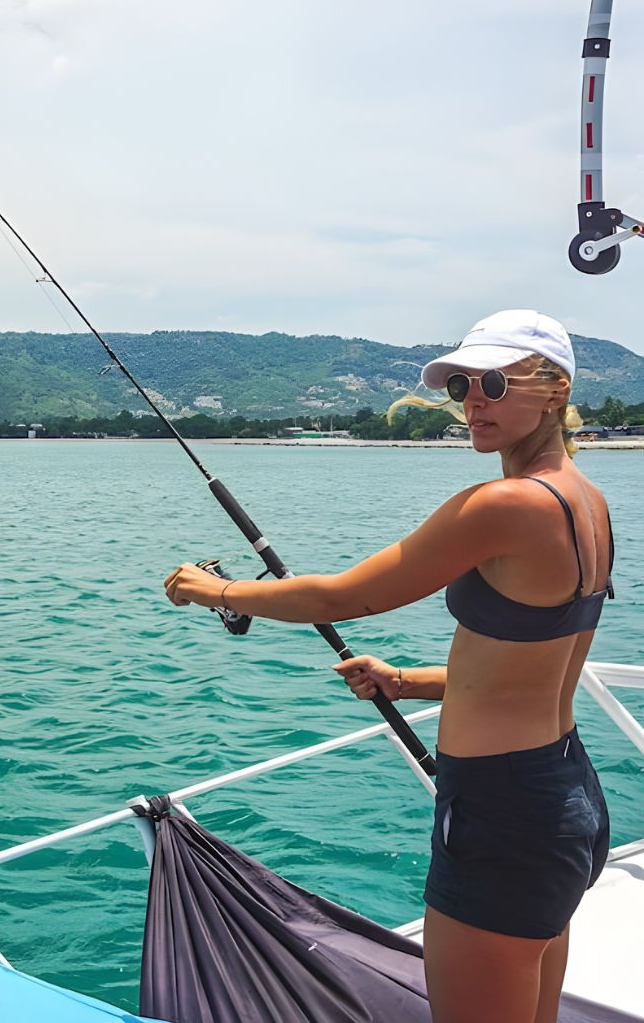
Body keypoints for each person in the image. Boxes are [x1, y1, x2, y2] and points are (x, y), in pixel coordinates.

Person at [164, 309, 613, 1023]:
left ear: (555, 391)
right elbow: (544, 660)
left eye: (495, 383)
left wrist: (210, 589)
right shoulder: (587, 501)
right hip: (563, 796)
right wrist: (407, 683)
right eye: (462, 385)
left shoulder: (505, 503)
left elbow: (351, 595)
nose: (473, 401)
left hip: (502, 814)